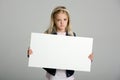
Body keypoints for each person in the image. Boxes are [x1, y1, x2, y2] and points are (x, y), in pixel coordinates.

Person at [27, 6, 94, 80]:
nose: (62, 23)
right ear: (54, 21)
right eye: (59, 20)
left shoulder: (72, 35)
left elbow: (77, 54)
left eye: (65, 19)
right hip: (53, 75)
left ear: (68, 20)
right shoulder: (49, 35)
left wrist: (88, 59)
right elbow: (41, 53)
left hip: (68, 75)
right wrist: (31, 54)